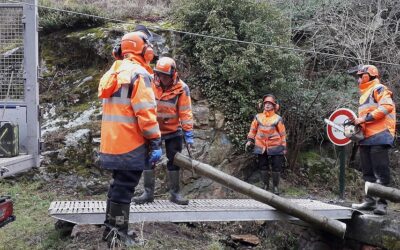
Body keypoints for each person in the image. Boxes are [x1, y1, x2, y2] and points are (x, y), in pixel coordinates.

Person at [98, 31, 162, 246]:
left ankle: (111, 231)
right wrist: (155, 140)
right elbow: (145, 112)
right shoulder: (139, 74)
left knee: (117, 186)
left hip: (112, 141)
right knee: (124, 189)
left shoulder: (114, 71)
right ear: (144, 50)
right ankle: (117, 234)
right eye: (148, 46)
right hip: (130, 143)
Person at [133, 57, 194, 205]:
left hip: (173, 130)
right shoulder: (150, 83)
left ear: (173, 74)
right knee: (149, 160)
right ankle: (148, 194)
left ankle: (175, 194)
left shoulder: (182, 88)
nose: (162, 78)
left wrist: (188, 133)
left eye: (165, 75)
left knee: (174, 161)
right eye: (159, 74)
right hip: (153, 130)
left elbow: (185, 112)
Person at [351, 65, 396, 215]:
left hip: (381, 134)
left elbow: (386, 107)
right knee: (368, 172)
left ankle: (381, 203)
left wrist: (364, 118)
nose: (358, 79)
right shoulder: (364, 94)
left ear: (367, 75)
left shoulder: (379, 88)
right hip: (366, 137)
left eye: (360, 75)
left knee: (380, 171)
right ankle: (370, 201)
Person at [245, 94, 287, 195]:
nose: (267, 105)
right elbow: (253, 129)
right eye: (266, 103)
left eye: (270, 104)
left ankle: (275, 187)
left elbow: (282, 134)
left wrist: (284, 147)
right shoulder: (258, 117)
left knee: (276, 167)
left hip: (275, 146)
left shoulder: (278, 118)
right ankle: (265, 185)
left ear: (274, 106)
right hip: (260, 145)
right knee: (262, 166)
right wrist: (250, 140)